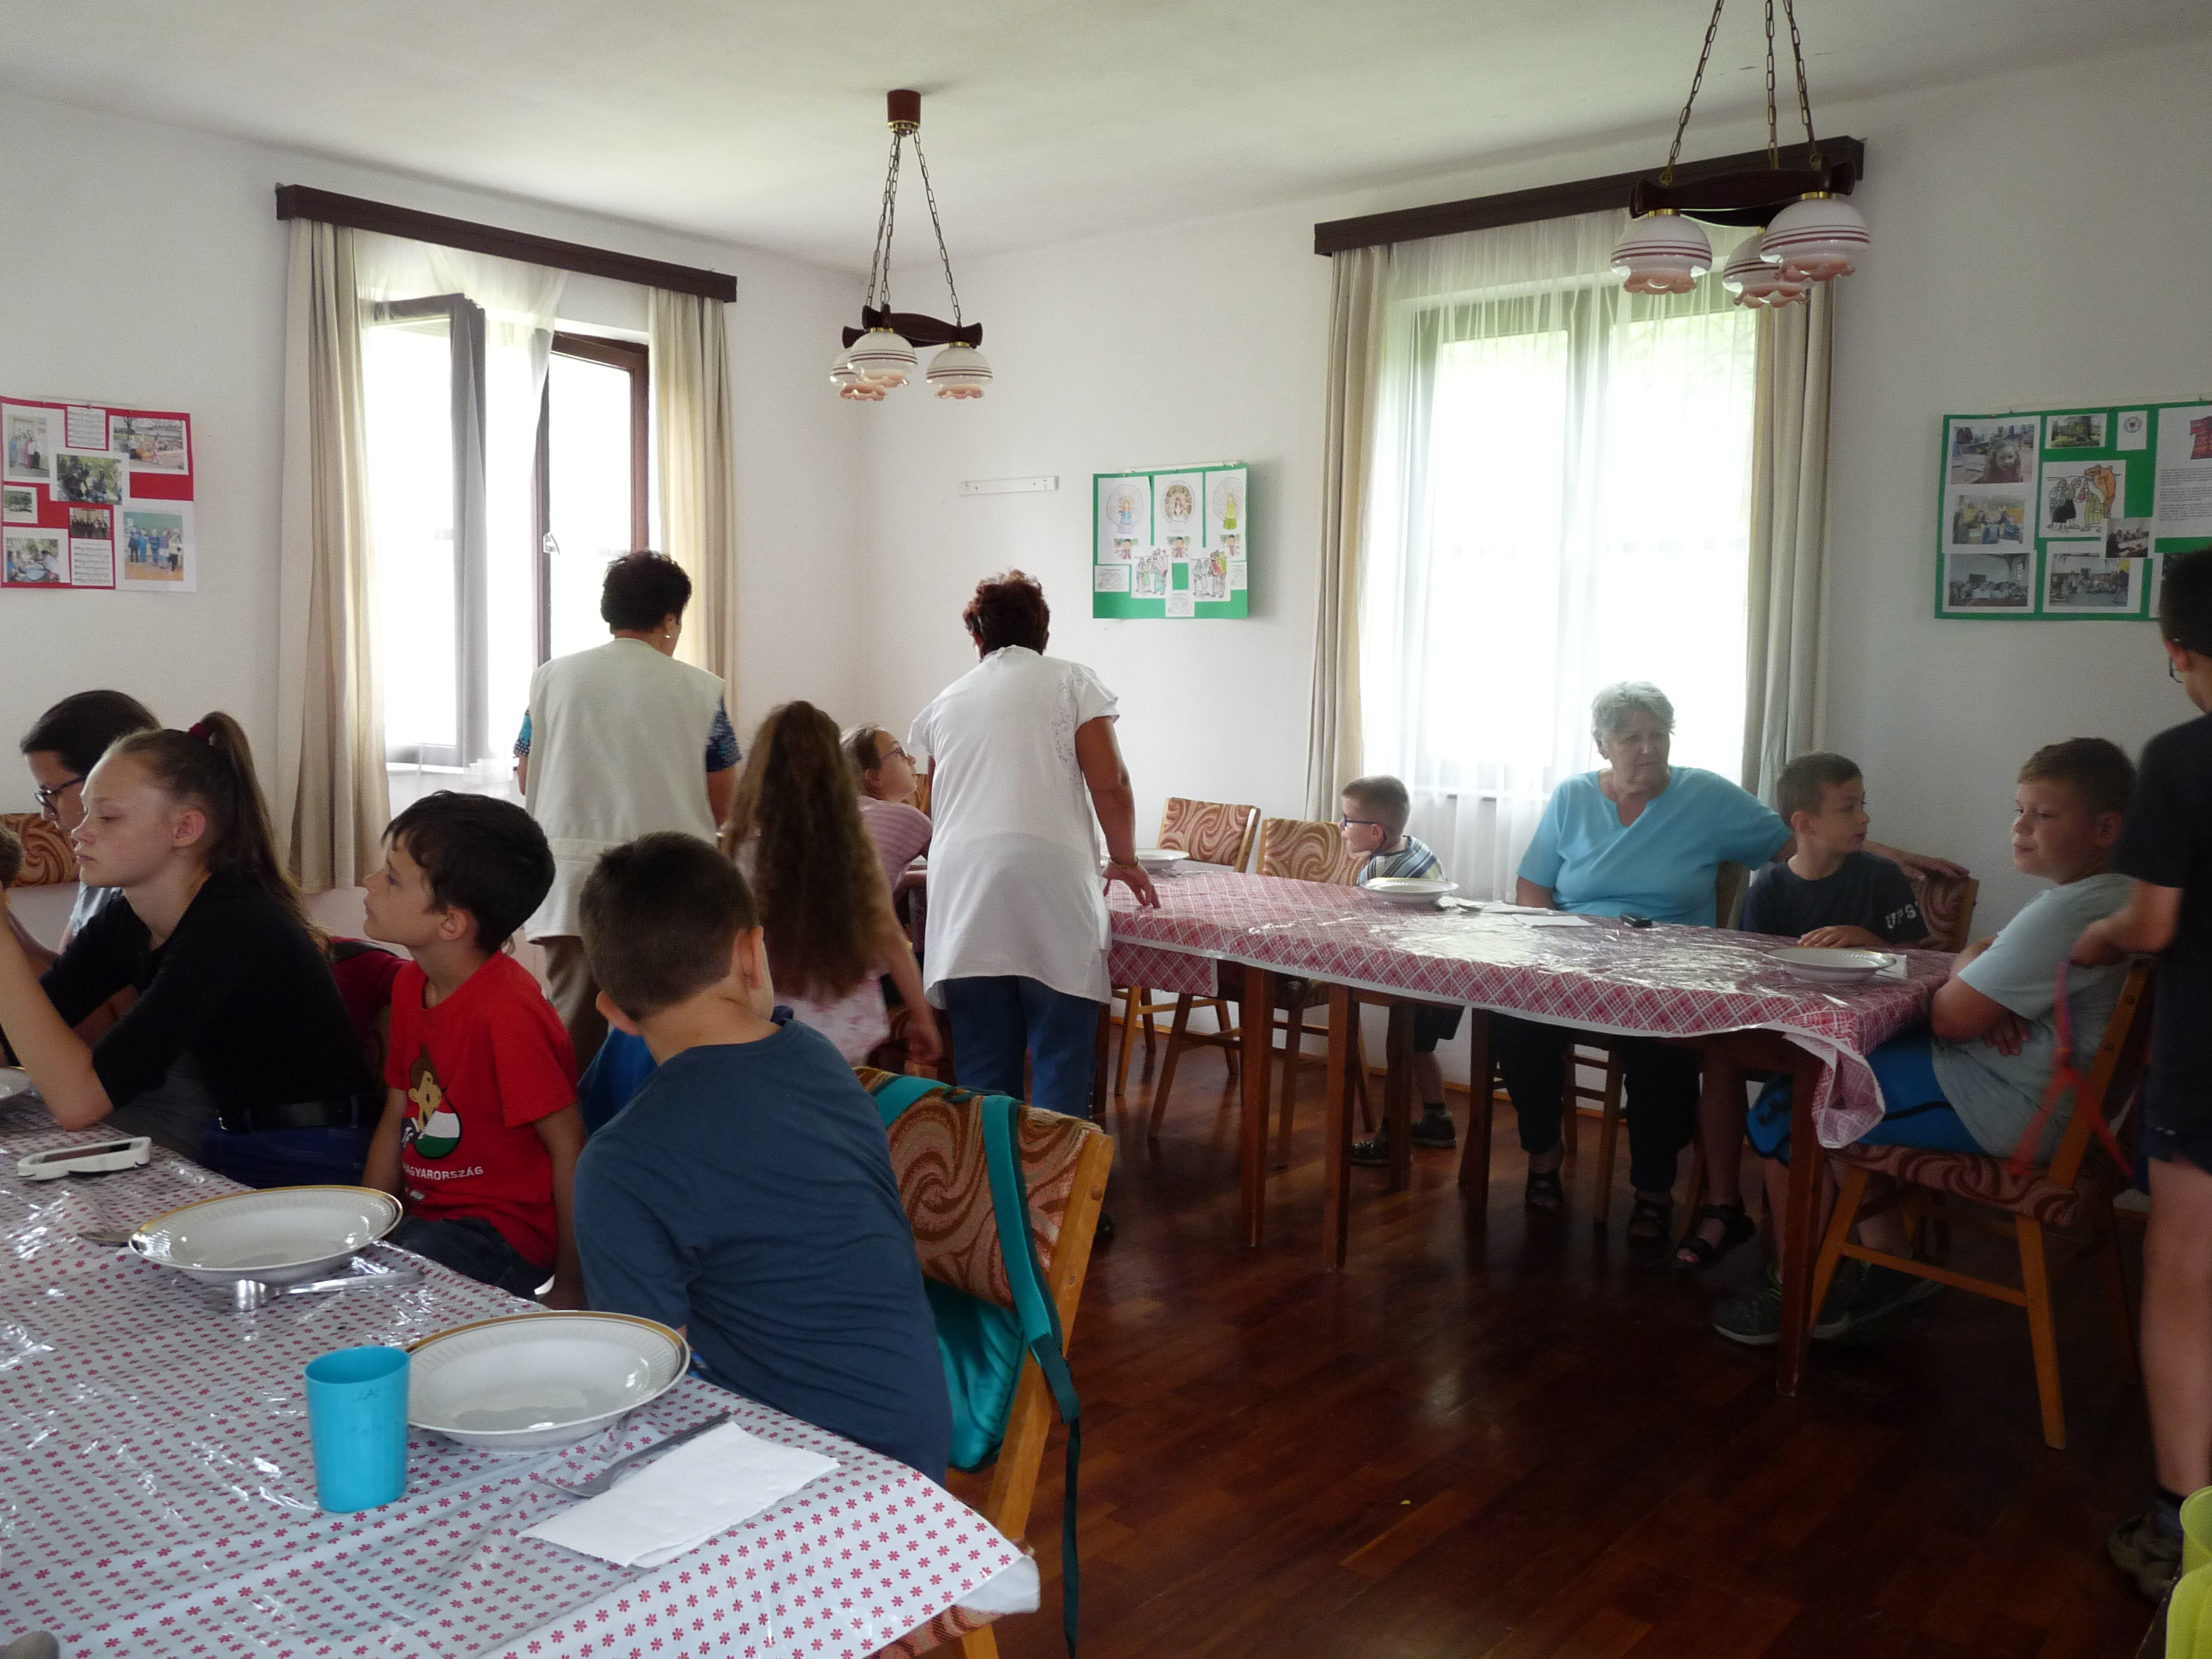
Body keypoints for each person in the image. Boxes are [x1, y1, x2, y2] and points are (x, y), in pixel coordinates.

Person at [1711, 737, 2136, 1346]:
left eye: (2043, 815)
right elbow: (1972, 992)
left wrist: (1971, 970)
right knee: (1847, 1074)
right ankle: (1890, 1265)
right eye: (2019, 810)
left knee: (1791, 1104)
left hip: (2014, 1106)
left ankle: (1798, 1289)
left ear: (2105, 829)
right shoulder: (2118, 896)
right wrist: (1979, 972)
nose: (2020, 828)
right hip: (2044, 1095)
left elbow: (1950, 1017)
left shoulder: (2065, 912)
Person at [1500, 682, 1956, 1243]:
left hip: (1667, 967)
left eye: (1659, 735)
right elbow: (1533, 885)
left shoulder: (1705, 795)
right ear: (1602, 746)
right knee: (1514, 1021)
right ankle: (1543, 1155)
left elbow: (1802, 838)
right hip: (1572, 960)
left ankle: (1653, 1189)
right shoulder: (1573, 797)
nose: (1648, 748)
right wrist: (1552, 943)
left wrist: (1893, 856)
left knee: (1661, 1046)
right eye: (1632, 738)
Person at [571, 832, 953, 1478]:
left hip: (800, 1470)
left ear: (616, 1013)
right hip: (910, 1436)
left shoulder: (620, 1164)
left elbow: (645, 1385)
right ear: (754, 952)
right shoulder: (818, 1059)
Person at [0, 715, 375, 1183]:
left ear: (185, 829)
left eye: (108, 817)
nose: (80, 831)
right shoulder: (127, 916)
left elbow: (80, 1102)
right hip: (231, 1139)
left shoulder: (231, 924)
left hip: (315, 1149)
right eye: (87, 813)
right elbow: (16, 1037)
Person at [2077, 549, 2212, 1600]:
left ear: (2179, 651)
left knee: (2182, 1273)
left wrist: (2101, 934)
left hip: (2208, 1057)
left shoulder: (2182, 756)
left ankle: (2182, 1522)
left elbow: (2153, 922)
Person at [908, 571, 1158, 1116]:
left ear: (978, 637)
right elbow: (1111, 783)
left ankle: (993, 1169)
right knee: (1060, 1053)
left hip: (964, 886)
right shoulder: (1072, 681)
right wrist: (1124, 859)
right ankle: (1057, 1171)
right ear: (1044, 632)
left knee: (983, 1065)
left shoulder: (946, 702)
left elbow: (938, 801)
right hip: (1050, 881)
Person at [1676, 751, 1936, 1269]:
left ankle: (1827, 1255)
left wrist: (1871, 942)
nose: (1865, 818)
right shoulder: (1770, 889)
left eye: (1863, 804)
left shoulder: (1881, 877)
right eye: (1848, 808)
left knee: (1800, 1100)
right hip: (1789, 1036)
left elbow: (1924, 962)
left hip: (1867, 1042)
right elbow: (1755, 971)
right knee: (1719, 1056)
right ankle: (1757, 1228)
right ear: (1805, 823)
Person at [360, 792, 585, 1306]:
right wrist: (366, 1229)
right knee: (352, 1272)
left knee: (387, 1293)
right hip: (427, 1217)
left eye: (391, 878)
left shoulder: (507, 1013)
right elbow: (397, 1113)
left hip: (501, 1233)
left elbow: (569, 1144)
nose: (369, 882)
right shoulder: (409, 984)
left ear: (451, 924)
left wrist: (573, 1284)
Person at [517, 551, 738, 1071]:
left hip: (570, 885)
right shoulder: (700, 689)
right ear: (670, 619)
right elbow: (722, 800)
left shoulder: (552, 679)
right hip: (671, 888)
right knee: (666, 1033)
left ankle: (572, 1126)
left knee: (575, 1038)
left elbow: (528, 773)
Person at [721, 702, 939, 1065]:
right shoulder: (852, 846)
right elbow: (889, 935)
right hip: (843, 1024)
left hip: (768, 1019)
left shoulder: (741, 847)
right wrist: (922, 1017)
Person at [1336, 773, 1463, 1165]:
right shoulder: (1414, 847)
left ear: (1376, 832)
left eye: (1347, 820)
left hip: (1419, 975)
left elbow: (1366, 927)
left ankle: (1391, 1139)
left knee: (1401, 1049)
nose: (1341, 827)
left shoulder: (1379, 875)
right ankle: (1437, 1119)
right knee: (1420, 1048)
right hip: (1447, 970)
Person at [11, 689, 159, 971]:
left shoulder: (146, 890)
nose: (46, 813)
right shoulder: (97, 861)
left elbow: (106, 999)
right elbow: (66, 974)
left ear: (103, 779)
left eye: (52, 793)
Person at [844, 723, 933, 897]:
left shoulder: (844, 814)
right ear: (875, 777)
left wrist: (907, 878)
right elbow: (951, 872)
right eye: (900, 753)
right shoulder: (908, 818)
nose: (912, 759)